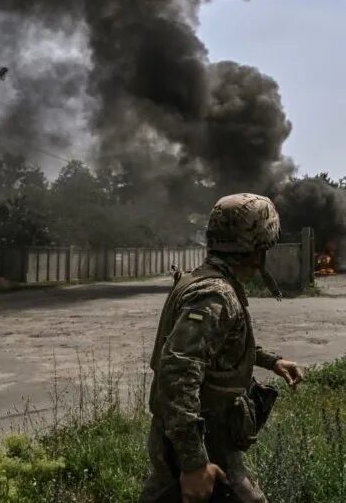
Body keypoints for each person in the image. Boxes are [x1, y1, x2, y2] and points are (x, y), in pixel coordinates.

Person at [141, 193, 304, 503]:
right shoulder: (216, 295)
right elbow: (178, 370)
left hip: (184, 435)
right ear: (259, 249)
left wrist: (271, 361)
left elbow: (213, 346)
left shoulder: (200, 281)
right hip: (203, 439)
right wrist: (194, 462)